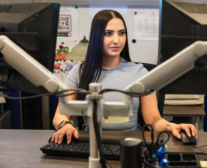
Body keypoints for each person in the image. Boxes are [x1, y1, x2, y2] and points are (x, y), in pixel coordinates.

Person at [51, 10, 197, 145]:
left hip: (131, 143)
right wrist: (65, 125)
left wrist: (173, 126)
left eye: (121, 33)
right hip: (91, 143)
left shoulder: (139, 73)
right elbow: (61, 114)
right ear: (96, 37)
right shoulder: (79, 71)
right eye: (108, 33)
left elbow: (152, 119)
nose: (117, 40)